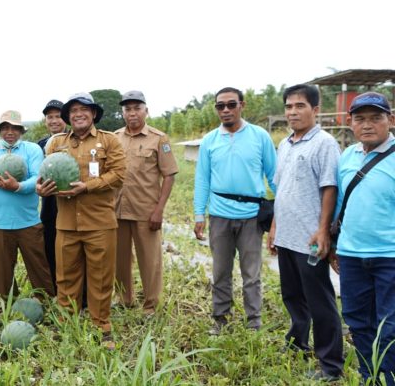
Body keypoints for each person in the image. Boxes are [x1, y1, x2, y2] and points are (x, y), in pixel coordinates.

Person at [266, 84, 344, 381]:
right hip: (286, 235)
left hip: (310, 239)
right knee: (292, 295)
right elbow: (281, 189)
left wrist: (323, 231)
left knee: (320, 301)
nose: (293, 112)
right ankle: (298, 343)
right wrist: (274, 226)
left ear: (315, 109)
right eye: (288, 106)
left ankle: (331, 365)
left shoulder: (324, 143)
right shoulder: (285, 143)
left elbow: (329, 189)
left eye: (300, 106)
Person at [37, 92, 126, 349]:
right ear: (68, 116)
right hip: (65, 222)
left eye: (83, 109)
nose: (78, 114)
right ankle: (67, 324)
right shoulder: (56, 144)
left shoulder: (109, 141)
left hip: (99, 222)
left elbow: (119, 175)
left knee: (100, 277)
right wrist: (40, 188)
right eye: (73, 110)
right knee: (66, 276)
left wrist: (86, 187)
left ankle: (102, 326)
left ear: (93, 113)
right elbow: (45, 175)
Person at [193, 87, 276, 335]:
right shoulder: (210, 141)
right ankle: (220, 319)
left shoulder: (259, 137)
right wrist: (199, 214)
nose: (226, 110)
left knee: (252, 274)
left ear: (242, 105)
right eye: (220, 106)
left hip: (251, 216)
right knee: (220, 272)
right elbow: (202, 179)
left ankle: (254, 322)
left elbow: (274, 177)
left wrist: (281, 215)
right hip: (219, 216)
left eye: (231, 104)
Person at [335, 92, 395, 384]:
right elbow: (339, 206)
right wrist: (333, 243)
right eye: (360, 119)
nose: (367, 125)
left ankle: (389, 378)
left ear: (391, 120)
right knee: (358, 321)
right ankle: (368, 376)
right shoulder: (347, 156)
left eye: (376, 118)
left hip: (390, 257)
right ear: (351, 123)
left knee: (390, 326)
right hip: (351, 256)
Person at [0, 110, 54, 300]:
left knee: (39, 270)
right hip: (0, 223)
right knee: (3, 276)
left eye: (14, 128)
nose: (9, 132)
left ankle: (46, 305)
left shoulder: (33, 150)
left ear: (21, 130)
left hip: (28, 222)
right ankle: (7, 308)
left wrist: (17, 186)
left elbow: (38, 178)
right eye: (5, 128)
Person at [114, 90, 178, 315]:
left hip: (145, 210)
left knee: (150, 262)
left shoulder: (158, 138)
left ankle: (151, 305)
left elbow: (169, 174)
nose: (132, 113)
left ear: (146, 111)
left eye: (137, 108)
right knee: (119, 259)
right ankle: (124, 298)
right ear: (122, 113)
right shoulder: (115, 137)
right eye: (127, 109)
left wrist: (159, 210)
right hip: (118, 210)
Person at [37, 99, 66, 293]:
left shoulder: (75, 140)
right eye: (50, 117)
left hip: (71, 203)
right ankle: (54, 290)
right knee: (49, 246)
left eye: (58, 116)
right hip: (48, 204)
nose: (54, 120)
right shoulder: (40, 145)